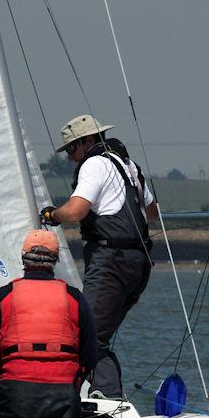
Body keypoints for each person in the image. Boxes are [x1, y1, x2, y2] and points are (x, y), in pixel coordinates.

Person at [40, 114, 158, 400]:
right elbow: (152, 213)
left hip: (111, 262)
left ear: (88, 141)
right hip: (138, 264)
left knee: (88, 336)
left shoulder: (94, 163)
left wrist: (51, 214)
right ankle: (99, 395)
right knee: (95, 335)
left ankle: (109, 401)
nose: (70, 158)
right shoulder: (128, 166)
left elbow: (76, 210)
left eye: (71, 149)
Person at [0, 229, 96, 418]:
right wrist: (73, 387)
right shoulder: (74, 297)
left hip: (14, 390)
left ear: (23, 258)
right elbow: (89, 354)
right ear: (56, 260)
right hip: (62, 393)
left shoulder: (3, 295)